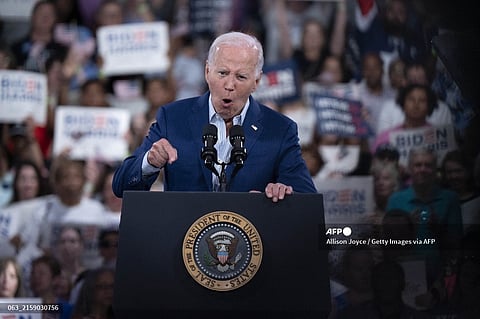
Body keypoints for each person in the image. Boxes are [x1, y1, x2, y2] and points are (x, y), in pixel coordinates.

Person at [112, 31, 316, 201]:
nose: (229, 85)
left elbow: (306, 200)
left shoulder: (279, 129)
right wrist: (150, 162)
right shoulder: (173, 118)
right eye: (222, 73)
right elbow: (121, 186)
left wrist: (280, 195)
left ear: (256, 81)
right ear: (207, 72)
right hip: (183, 241)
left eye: (241, 76)